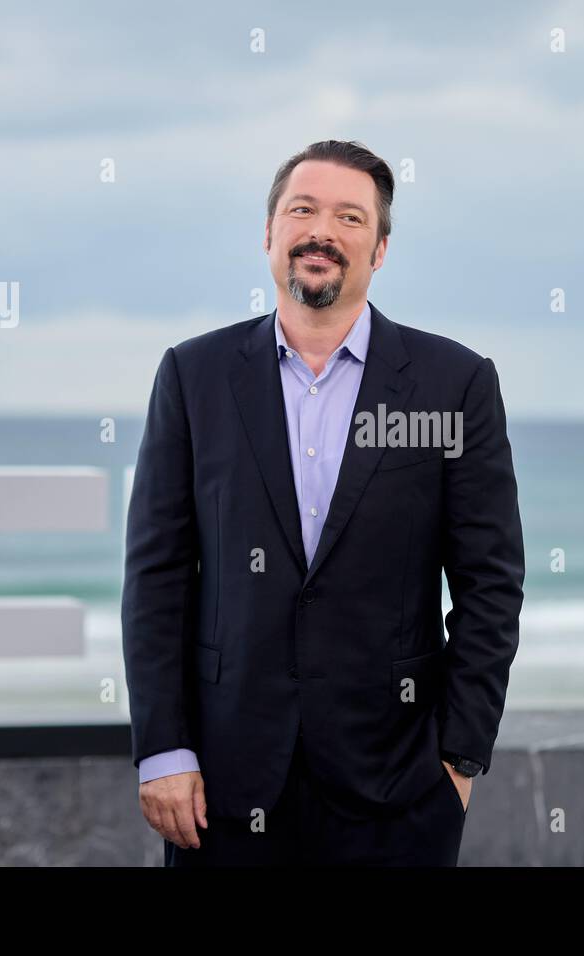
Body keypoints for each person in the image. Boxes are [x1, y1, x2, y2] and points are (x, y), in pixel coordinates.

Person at [122, 139, 524, 865]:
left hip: (397, 789)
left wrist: (459, 759)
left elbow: (490, 582)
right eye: (302, 210)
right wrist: (163, 749)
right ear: (269, 234)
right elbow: (158, 576)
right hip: (219, 786)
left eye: (350, 217)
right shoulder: (193, 375)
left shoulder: (454, 383)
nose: (322, 232)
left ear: (381, 249)